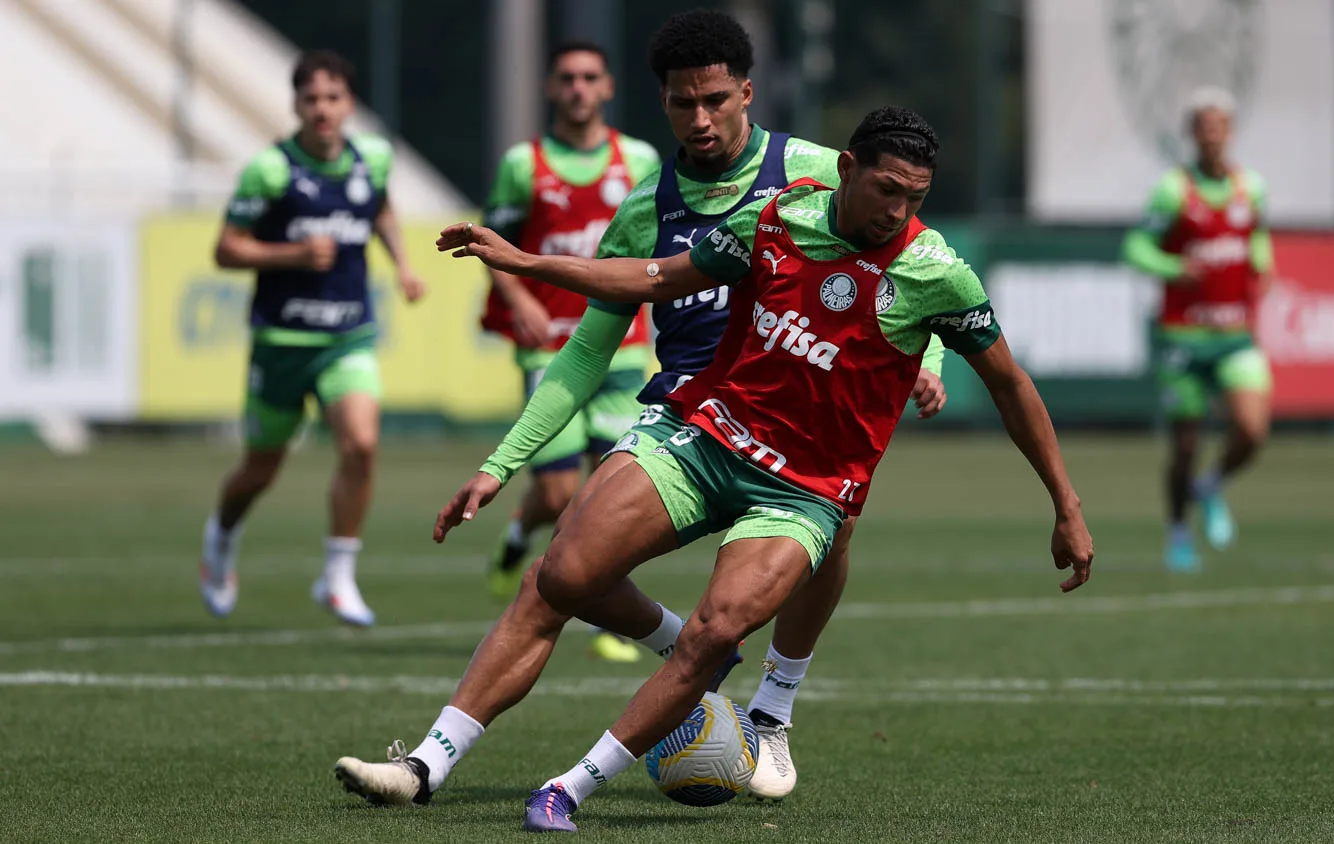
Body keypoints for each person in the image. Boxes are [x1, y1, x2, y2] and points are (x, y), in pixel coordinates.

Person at [331, 10, 944, 808]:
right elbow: (586, 352)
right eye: (684, 104)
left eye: (716, 100)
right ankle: (424, 765)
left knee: (839, 523)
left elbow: (915, 259)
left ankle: (773, 713)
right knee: (560, 576)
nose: (701, 119)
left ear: (747, 93)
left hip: (807, 427)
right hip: (692, 423)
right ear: (662, 102)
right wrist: (499, 465)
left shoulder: (824, 170)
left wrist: (926, 358)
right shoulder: (644, 208)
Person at [434, 105, 1094, 833]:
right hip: (709, 439)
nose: (898, 211)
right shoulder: (774, 221)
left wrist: (1065, 503)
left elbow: (1011, 386)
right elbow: (656, 279)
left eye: (915, 197)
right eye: (887, 190)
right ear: (847, 169)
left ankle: (568, 789)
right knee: (562, 575)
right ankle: (438, 757)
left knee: (715, 632)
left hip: (803, 490)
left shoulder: (935, 271)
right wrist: (525, 262)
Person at [198, 50, 426, 626]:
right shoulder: (270, 171)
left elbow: (381, 210)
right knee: (261, 469)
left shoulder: (372, 158)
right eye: (311, 98)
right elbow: (227, 248)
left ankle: (338, 574)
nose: (322, 109)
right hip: (281, 342)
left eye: (333, 98)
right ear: (296, 103)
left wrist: (402, 264)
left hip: (347, 336)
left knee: (361, 444)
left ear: (349, 104)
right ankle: (221, 538)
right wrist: (292, 252)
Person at [478, 40, 661, 664]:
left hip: (626, 350)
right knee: (557, 496)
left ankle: (609, 613)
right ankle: (517, 536)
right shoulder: (522, 164)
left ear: (607, 87)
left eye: (590, 77)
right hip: (550, 348)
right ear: (551, 89)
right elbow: (493, 242)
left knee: (610, 497)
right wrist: (519, 299)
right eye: (567, 78)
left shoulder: (638, 158)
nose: (579, 88)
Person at [1121, 86, 1274, 573]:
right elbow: (1136, 247)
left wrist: (1263, 265)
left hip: (1234, 334)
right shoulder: (1174, 191)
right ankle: (1178, 529)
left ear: (1228, 132)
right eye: (1203, 128)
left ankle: (1211, 487)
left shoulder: (1251, 188)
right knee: (1185, 444)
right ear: (1192, 134)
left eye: (1219, 127)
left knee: (1251, 430)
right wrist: (1172, 267)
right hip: (1182, 336)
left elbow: (1258, 237)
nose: (1211, 136)